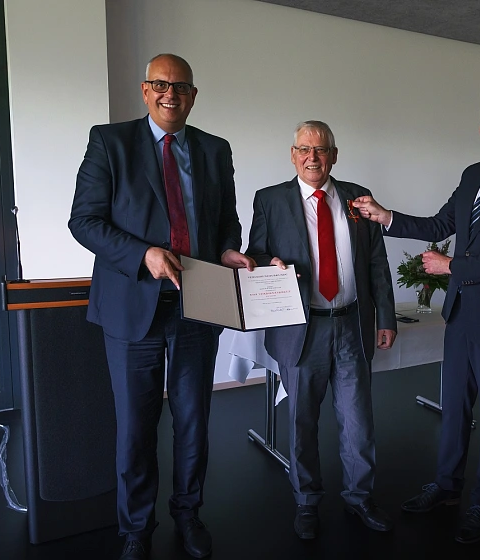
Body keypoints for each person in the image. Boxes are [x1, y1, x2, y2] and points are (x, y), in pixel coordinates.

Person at [353, 93, 480, 544]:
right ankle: (447, 486)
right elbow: (438, 224)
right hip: (463, 314)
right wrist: (384, 216)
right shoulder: (473, 175)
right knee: (454, 410)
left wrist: (452, 268)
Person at [69, 53, 254, 560]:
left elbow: (226, 221)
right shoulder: (110, 142)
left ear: (193, 96)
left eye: (181, 87)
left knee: (195, 419)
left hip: (202, 298)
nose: (171, 93)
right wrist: (143, 253)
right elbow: (84, 221)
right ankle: (135, 528)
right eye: (161, 85)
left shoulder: (216, 150)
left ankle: (188, 514)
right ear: (146, 90)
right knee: (135, 425)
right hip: (133, 303)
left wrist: (226, 250)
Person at [246, 120, 398, 539]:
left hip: (352, 323)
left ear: (334, 154)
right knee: (301, 423)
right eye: (304, 149)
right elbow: (252, 254)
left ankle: (359, 498)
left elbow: (375, 263)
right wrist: (266, 264)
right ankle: (307, 501)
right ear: (293, 155)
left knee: (358, 422)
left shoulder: (355, 198)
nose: (312, 157)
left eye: (321, 149)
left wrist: (385, 316)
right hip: (301, 329)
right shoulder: (271, 200)